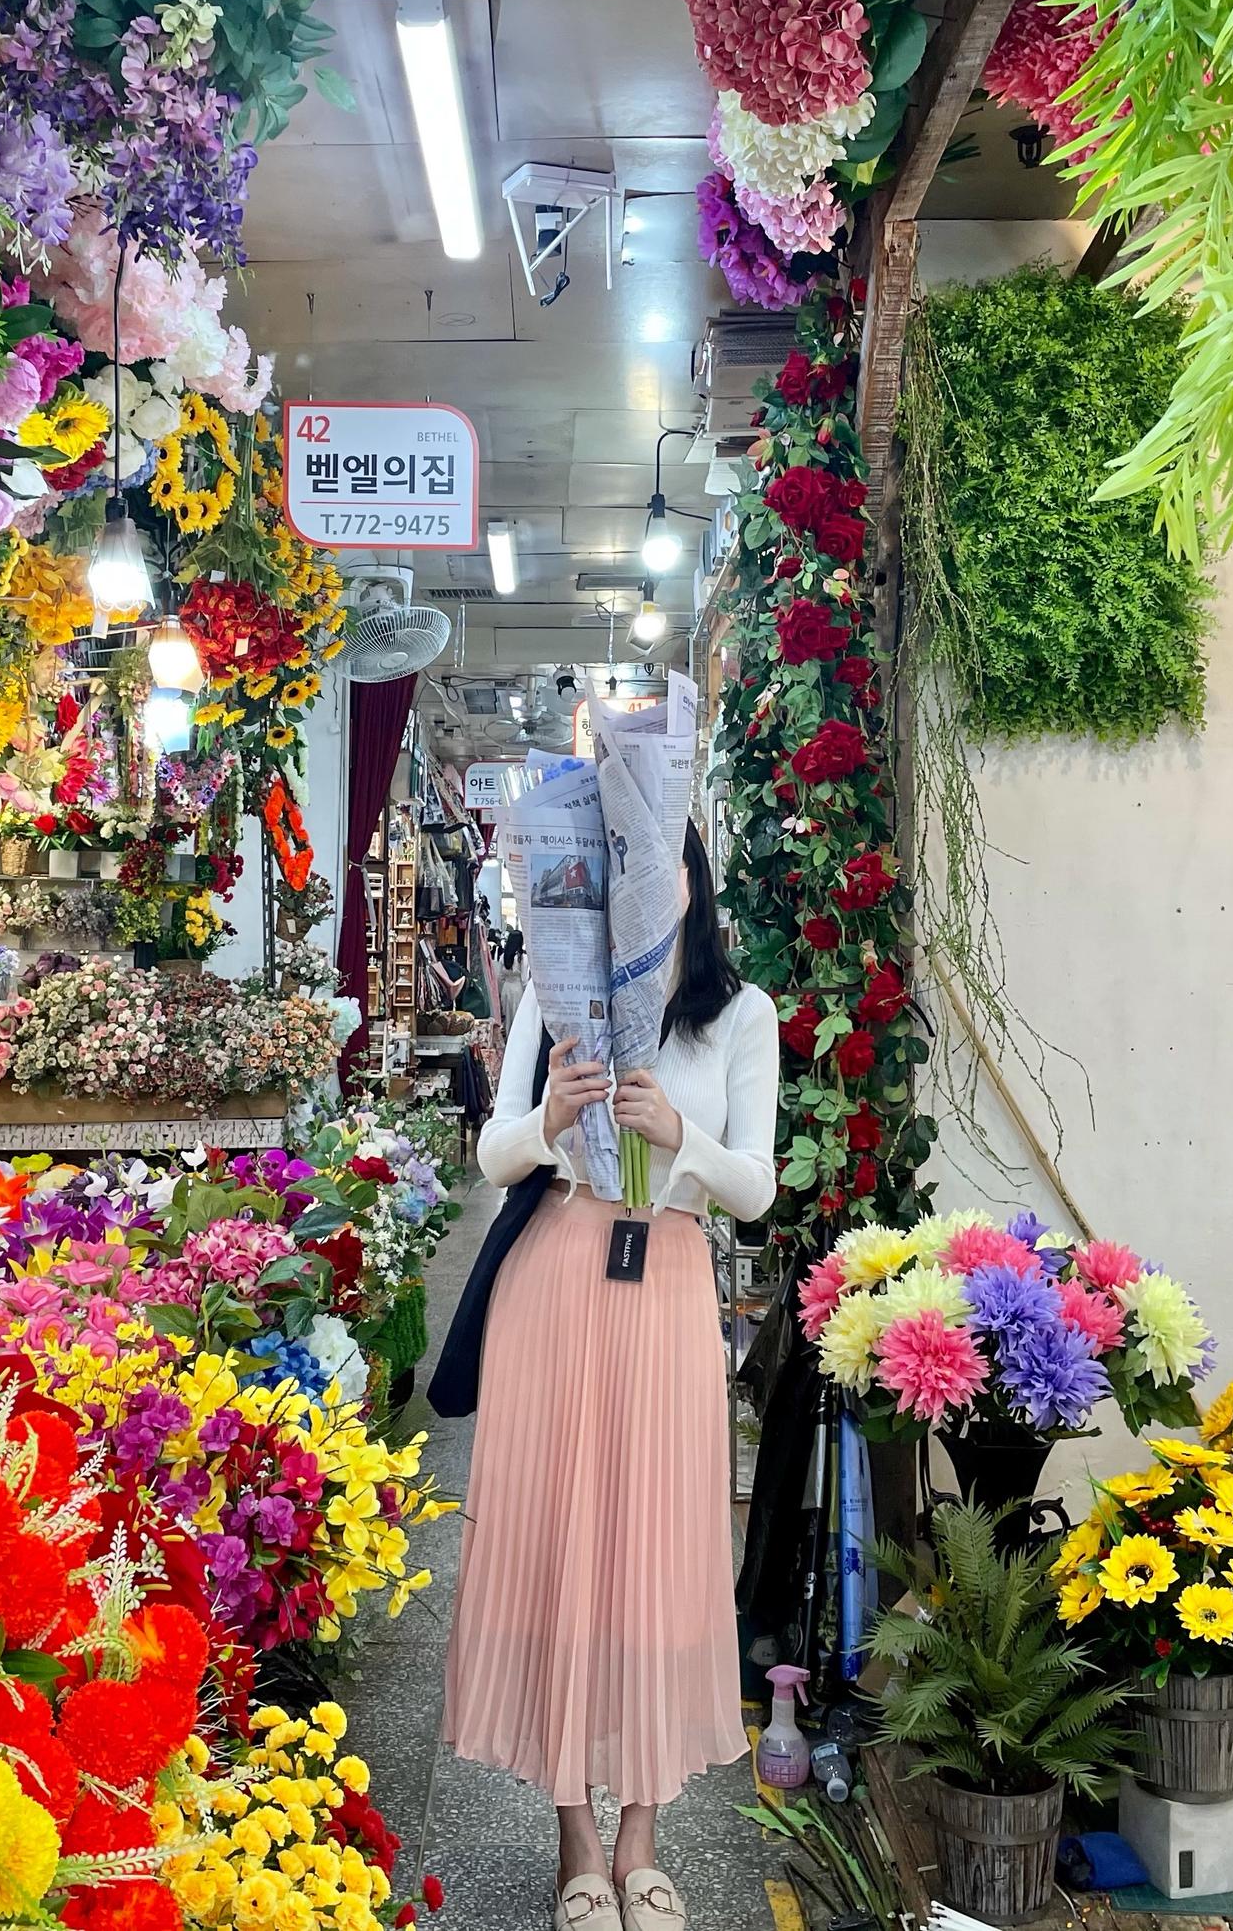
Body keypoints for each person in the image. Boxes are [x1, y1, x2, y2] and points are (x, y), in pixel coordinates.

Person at [442, 822, 780, 1931]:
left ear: (689, 881)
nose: (641, 889)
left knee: (656, 1545)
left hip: (668, 1282)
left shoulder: (740, 1013)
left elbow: (756, 1190)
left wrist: (677, 1132)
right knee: (558, 1545)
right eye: (618, 869)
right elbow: (492, 1152)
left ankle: (642, 1836)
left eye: (659, 865)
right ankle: (573, 1838)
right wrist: (548, 1120)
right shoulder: (553, 992)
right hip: (557, 1282)